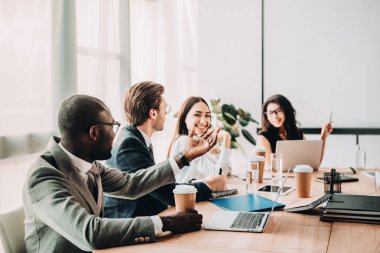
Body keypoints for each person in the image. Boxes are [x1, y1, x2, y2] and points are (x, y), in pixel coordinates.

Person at [22, 94, 221, 253]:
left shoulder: (90, 165)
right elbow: (90, 232)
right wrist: (165, 222)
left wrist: (185, 156)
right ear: (94, 132)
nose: (117, 133)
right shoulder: (44, 176)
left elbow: (131, 184)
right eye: (112, 126)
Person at [103, 82, 226, 218]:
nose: (166, 114)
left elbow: (156, 187)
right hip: (129, 227)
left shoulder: (135, 138)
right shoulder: (129, 143)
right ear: (153, 113)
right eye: (165, 109)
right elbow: (165, 192)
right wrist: (209, 185)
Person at [168, 96, 232, 183]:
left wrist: (216, 147)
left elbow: (228, 171)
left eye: (207, 115)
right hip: (189, 196)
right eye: (197, 115)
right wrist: (226, 137)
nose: (203, 121)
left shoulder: (199, 141)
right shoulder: (184, 141)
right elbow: (219, 176)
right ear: (184, 118)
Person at [256, 94, 333, 166]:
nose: (274, 116)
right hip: (279, 180)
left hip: (299, 178)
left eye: (279, 111)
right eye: (270, 113)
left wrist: (323, 137)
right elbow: (269, 169)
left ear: (287, 111)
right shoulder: (263, 137)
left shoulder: (298, 134)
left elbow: (313, 164)